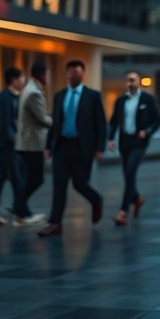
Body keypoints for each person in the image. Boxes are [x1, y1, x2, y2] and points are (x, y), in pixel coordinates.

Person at [38, 60, 107, 237]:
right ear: (67, 73)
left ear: (83, 73)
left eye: (78, 71)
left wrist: (100, 148)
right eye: (71, 72)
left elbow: (101, 124)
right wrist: (48, 146)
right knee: (59, 184)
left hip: (82, 147)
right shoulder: (60, 96)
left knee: (80, 183)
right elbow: (55, 123)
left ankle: (96, 199)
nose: (74, 75)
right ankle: (55, 223)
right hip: (61, 146)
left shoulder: (92, 96)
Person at [107, 70, 160, 225]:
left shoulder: (148, 99)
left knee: (130, 171)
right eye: (128, 80)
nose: (130, 83)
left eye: (133, 80)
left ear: (139, 81)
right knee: (128, 175)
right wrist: (110, 138)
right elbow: (114, 121)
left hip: (139, 141)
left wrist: (147, 131)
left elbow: (158, 120)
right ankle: (137, 198)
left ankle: (123, 211)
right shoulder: (120, 101)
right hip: (125, 141)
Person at [0, 66, 25, 225]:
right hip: (10, 144)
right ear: (14, 79)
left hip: (3, 143)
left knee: (2, 175)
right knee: (17, 177)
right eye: (22, 77)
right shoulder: (11, 99)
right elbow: (6, 123)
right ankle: (21, 212)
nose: (23, 81)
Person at [13, 61, 52, 226]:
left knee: (29, 179)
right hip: (32, 145)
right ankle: (19, 210)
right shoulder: (33, 93)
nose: (48, 78)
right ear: (42, 74)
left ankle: (20, 211)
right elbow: (43, 119)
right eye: (47, 74)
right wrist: (59, 123)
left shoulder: (29, 89)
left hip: (27, 144)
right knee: (35, 179)